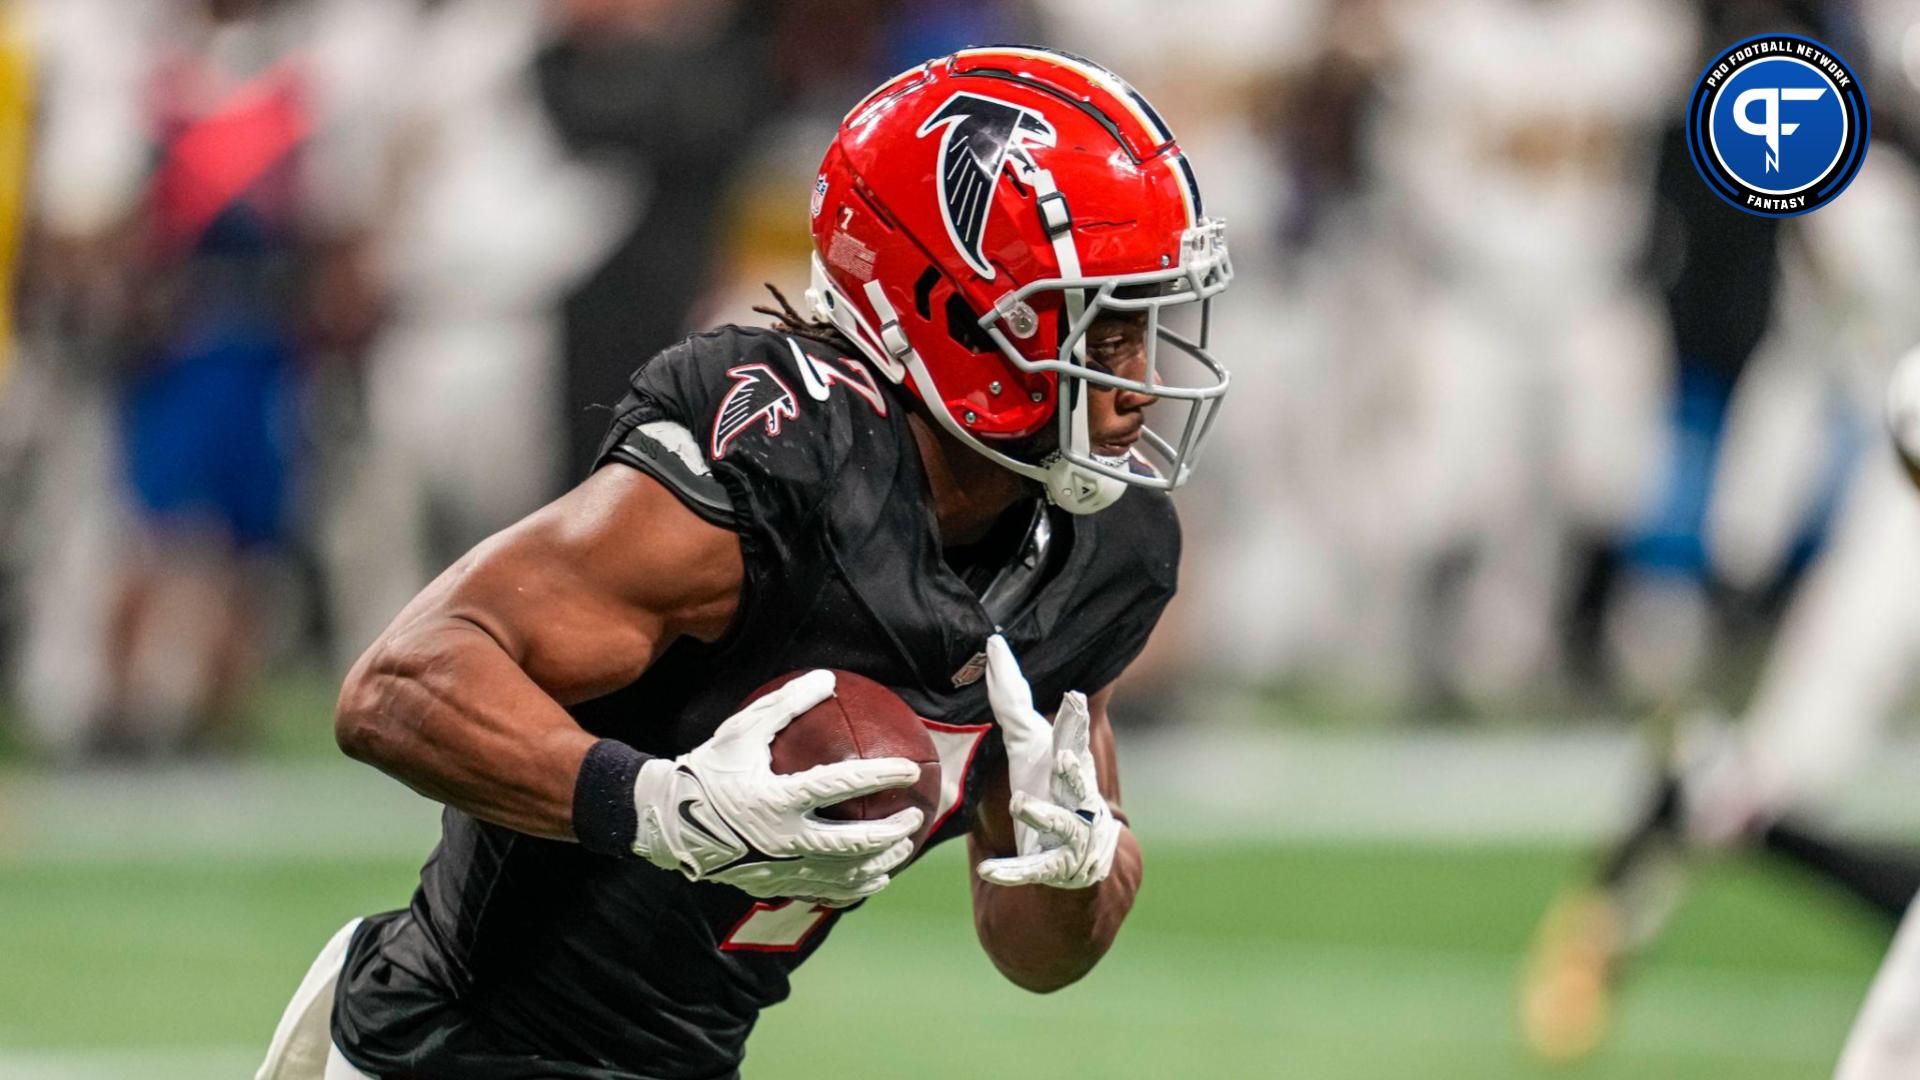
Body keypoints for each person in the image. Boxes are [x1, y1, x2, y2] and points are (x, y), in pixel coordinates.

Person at [255, 46, 1231, 1080]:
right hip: (450, 1050)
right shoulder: (784, 464)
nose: (1137, 383)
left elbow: (1037, 952)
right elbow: (395, 688)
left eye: (1144, 325)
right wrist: (664, 808)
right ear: (953, 312)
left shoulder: (1098, 551)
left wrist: (1075, 868)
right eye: (1099, 330)